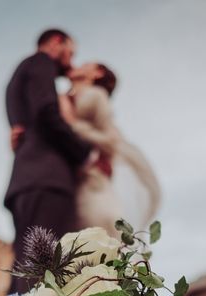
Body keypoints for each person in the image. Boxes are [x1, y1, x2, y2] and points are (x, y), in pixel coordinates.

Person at [4, 29, 93, 294]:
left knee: (25, 267)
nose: (72, 61)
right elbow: (46, 112)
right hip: (47, 179)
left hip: (28, 179)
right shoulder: (40, 62)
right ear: (56, 43)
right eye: (71, 52)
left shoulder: (20, 74)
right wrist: (82, 152)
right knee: (42, 271)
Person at [58, 63, 161, 236]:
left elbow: (110, 142)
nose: (78, 65)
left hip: (91, 181)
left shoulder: (96, 96)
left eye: (86, 64)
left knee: (99, 234)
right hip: (67, 183)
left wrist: (72, 125)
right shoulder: (63, 98)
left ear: (97, 73)